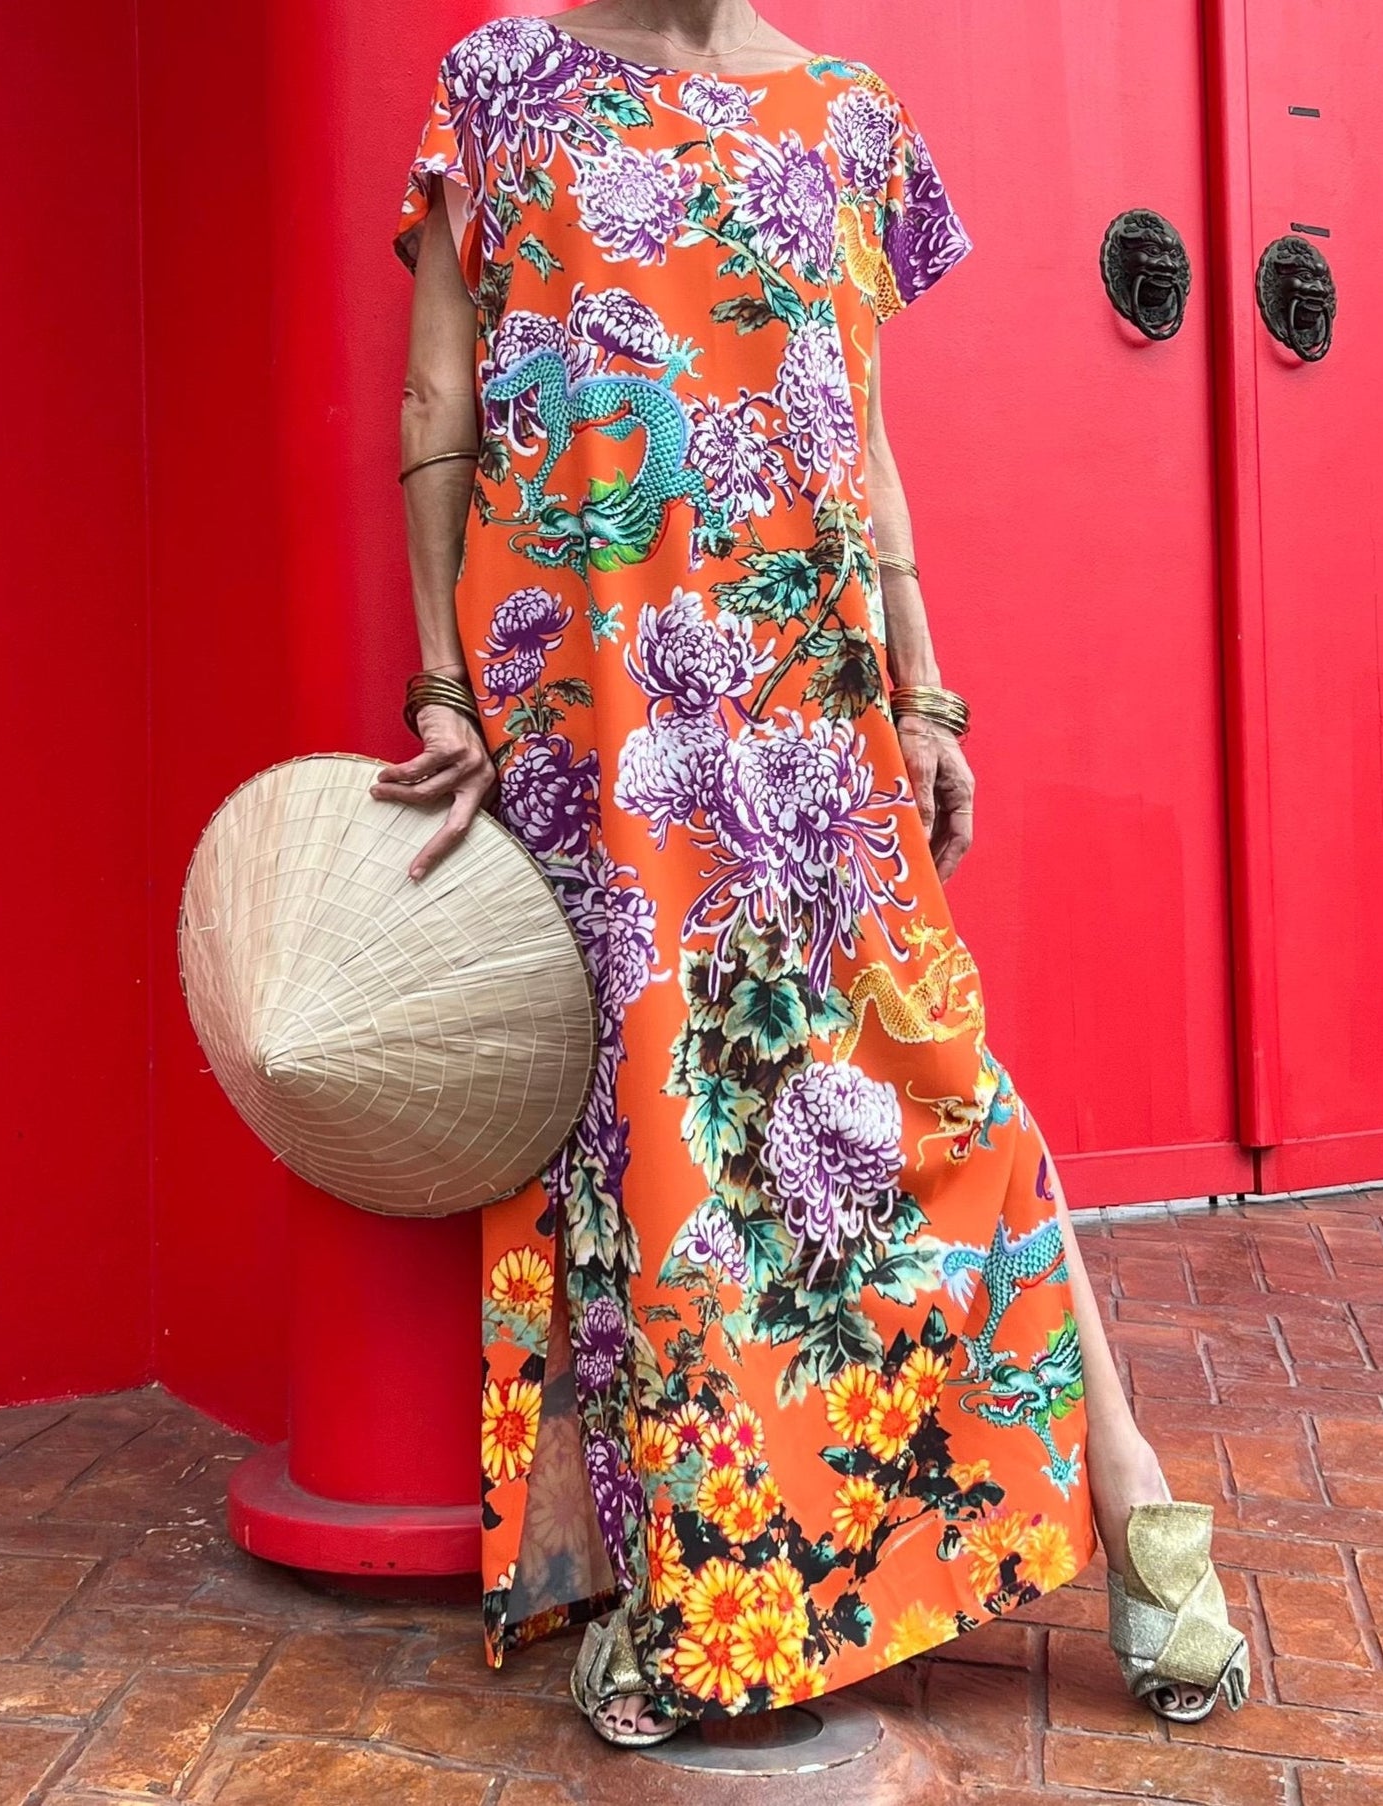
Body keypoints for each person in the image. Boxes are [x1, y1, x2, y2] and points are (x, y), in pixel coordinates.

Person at [376, 0, 1251, 1746]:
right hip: (588, 697)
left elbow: (860, 426)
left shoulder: (848, 113)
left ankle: (1130, 1492)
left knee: (938, 1092)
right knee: (656, 1148)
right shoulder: (499, 81)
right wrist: (437, 677)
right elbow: (438, 393)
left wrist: (923, 682)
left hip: (807, 704)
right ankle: (700, 1587)